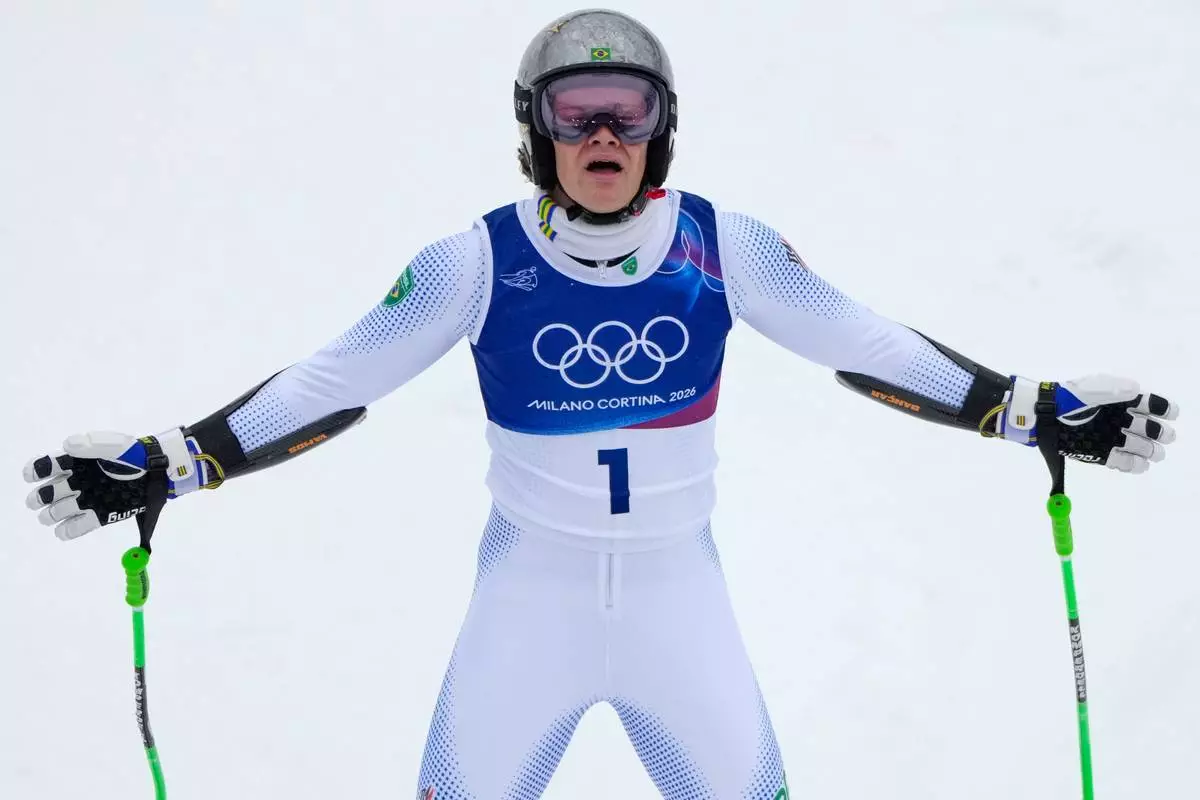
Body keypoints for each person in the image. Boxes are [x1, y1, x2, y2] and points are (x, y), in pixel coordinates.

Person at [21, 9, 1179, 800]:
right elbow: (336, 378)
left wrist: (1028, 406)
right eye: (577, 114)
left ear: (663, 123)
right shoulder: (475, 262)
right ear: (537, 130)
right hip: (530, 604)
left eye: (627, 110)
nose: (605, 137)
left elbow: (865, 340)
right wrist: (175, 457)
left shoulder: (726, 248)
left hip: (684, 606)